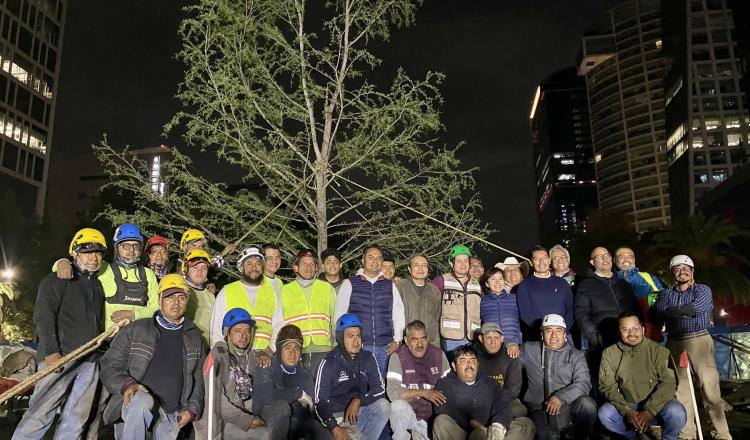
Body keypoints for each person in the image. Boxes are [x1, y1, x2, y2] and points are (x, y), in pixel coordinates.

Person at [12, 229, 106, 440]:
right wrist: (52, 353)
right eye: (87, 251)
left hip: (89, 361)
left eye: (98, 252)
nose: (93, 257)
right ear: (74, 253)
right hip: (59, 358)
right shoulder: (55, 280)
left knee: (76, 419)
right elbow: (43, 318)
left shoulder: (97, 285)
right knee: (40, 414)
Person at [99, 274, 205, 439]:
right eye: (170, 296)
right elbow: (110, 363)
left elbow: (199, 376)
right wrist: (126, 385)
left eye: (181, 297)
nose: (176, 302)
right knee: (143, 401)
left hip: (171, 414)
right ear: (159, 299)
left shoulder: (194, 338)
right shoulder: (137, 329)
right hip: (134, 405)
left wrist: (193, 408)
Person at [654, 255, 732, 440]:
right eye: (678, 268)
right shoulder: (667, 294)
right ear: (673, 273)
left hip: (699, 341)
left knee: (710, 388)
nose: (682, 271)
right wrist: (675, 312)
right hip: (676, 342)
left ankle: (722, 433)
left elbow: (697, 308)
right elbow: (657, 314)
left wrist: (673, 312)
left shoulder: (702, 289)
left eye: (686, 268)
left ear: (692, 271)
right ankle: (688, 433)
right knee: (682, 390)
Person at [196, 308, 291, 439]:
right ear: (227, 333)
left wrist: (265, 354)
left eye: (247, 331)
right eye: (237, 331)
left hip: (237, 416)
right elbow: (217, 404)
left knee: (281, 407)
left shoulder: (248, 356)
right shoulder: (217, 357)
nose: (244, 335)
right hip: (217, 427)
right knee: (265, 434)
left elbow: (259, 362)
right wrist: (248, 421)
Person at [598, 311, 686, 440]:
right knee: (605, 414)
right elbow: (607, 386)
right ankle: (634, 437)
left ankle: (669, 437)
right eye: (625, 329)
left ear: (643, 329)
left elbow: (669, 383)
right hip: (628, 404)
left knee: (676, 412)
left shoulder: (659, 351)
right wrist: (626, 410)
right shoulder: (609, 353)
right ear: (619, 332)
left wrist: (649, 411)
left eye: (635, 328)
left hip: (658, 404)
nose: (631, 334)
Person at [54, 223, 160, 330]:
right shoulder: (104, 268)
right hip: (108, 340)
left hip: (139, 338)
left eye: (136, 246)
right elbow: (78, 267)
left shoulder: (148, 274)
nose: (131, 250)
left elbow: (157, 308)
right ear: (117, 248)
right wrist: (62, 262)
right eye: (126, 246)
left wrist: (134, 314)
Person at [314, 314, 391, 440]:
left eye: (358, 336)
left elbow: (380, 390)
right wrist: (335, 428)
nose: (356, 341)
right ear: (340, 338)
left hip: (360, 412)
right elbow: (319, 404)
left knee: (383, 405)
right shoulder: (328, 363)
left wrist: (358, 399)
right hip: (337, 418)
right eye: (350, 336)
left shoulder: (368, 358)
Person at [521, 314, 596, 440]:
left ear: (565, 334)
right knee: (547, 436)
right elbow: (506, 360)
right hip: (539, 408)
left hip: (567, 405)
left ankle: (577, 435)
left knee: (587, 405)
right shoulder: (529, 349)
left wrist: (560, 397)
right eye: (548, 330)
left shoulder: (575, 355)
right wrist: (511, 345)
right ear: (542, 333)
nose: (554, 335)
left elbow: (583, 383)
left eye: (558, 330)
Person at [335, 244, 405, 377]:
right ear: (363, 260)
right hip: (359, 346)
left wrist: (397, 340)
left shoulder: (390, 285)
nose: (375, 261)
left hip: (385, 347)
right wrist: (342, 342)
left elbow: (398, 314)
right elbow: (340, 315)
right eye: (371, 257)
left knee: (383, 384)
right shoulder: (350, 283)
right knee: (359, 384)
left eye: (379, 258)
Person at [210, 245, 284, 363]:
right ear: (241, 267)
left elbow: (279, 326)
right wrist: (222, 355)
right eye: (249, 263)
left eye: (258, 263)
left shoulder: (271, 292)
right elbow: (216, 330)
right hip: (234, 355)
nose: (254, 267)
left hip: (264, 357)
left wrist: (269, 351)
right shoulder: (227, 291)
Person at [386, 320, 450, 440]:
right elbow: (393, 393)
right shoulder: (398, 357)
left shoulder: (439, 355)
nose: (420, 345)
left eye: (423, 339)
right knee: (397, 406)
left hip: (434, 418)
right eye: (414, 339)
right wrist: (425, 393)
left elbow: (451, 389)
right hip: (411, 417)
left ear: (428, 338)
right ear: (406, 340)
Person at [432, 345, 512, 440]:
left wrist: (498, 425)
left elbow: (503, 404)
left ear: (477, 364)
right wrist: (473, 424)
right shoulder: (445, 384)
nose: (469, 364)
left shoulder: (490, 383)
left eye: (473, 360)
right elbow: (444, 409)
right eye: (463, 360)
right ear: (454, 366)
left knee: (525, 424)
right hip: (461, 433)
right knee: (440, 422)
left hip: (489, 432)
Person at [473, 323, 535, 440]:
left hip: (505, 400)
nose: (493, 342)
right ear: (481, 339)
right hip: (478, 400)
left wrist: (495, 406)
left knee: (520, 412)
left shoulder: (510, 355)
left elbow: (513, 389)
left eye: (496, 338)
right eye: (488, 338)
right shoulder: (472, 355)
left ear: (502, 339)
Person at [280, 249, 337, 375]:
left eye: (312, 264)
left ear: (317, 267)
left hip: (324, 349)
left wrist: (337, 345)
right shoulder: (284, 291)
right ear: (295, 267)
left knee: (323, 389)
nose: (308, 267)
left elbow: (336, 320)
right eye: (304, 264)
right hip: (296, 350)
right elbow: (279, 323)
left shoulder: (326, 288)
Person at [269, 325, 331, 439]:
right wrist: (298, 394)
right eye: (287, 347)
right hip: (274, 425)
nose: (292, 353)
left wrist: (332, 424)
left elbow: (316, 407)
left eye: (297, 348)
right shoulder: (268, 369)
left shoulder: (305, 376)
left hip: (302, 422)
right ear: (279, 349)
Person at [575, 247, 640, 350]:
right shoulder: (586, 285)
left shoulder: (623, 284)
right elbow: (581, 315)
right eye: (600, 257)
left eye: (607, 255)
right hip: (604, 344)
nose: (605, 259)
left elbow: (637, 310)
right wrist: (596, 338)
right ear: (592, 262)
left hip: (630, 340)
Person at [516, 246, 574, 342]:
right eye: (537, 259)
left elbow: (570, 308)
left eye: (544, 258)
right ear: (531, 262)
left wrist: (563, 329)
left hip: (564, 335)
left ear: (549, 260)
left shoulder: (562, 283)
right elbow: (526, 314)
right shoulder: (525, 285)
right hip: (538, 336)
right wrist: (545, 331)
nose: (541, 261)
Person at [432, 244, 483, 352]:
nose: (463, 264)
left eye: (466, 260)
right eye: (459, 261)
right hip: (449, 338)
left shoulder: (477, 285)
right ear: (451, 263)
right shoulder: (441, 281)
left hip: (473, 338)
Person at [614, 247, 666, 340]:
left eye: (630, 256)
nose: (626, 259)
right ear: (615, 260)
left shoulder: (649, 278)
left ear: (634, 260)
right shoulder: (609, 280)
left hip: (649, 335)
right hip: (618, 335)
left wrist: (652, 310)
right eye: (621, 256)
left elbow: (663, 296)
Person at [396, 254, 442, 347]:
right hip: (406, 343)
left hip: (429, 343)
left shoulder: (434, 290)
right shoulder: (399, 287)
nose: (421, 269)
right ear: (409, 269)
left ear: (428, 269)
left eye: (424, 265)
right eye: (416, 265)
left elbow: (437, 316)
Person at [480, 268, 522, 358]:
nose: (497, 282)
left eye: (500, 278)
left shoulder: (515, 299)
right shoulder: (482, 301)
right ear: (487, 284)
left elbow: (521, 324)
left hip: (513, 345)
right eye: (493, 279)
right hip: (491, 345)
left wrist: (515, 342)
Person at [183, 249, 214, 347]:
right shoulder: (181, 291)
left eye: (204, 268)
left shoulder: (211, 295)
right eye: (195, 267)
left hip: (206, 352)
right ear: (186, 269)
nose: (200, 271)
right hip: (185, 349)